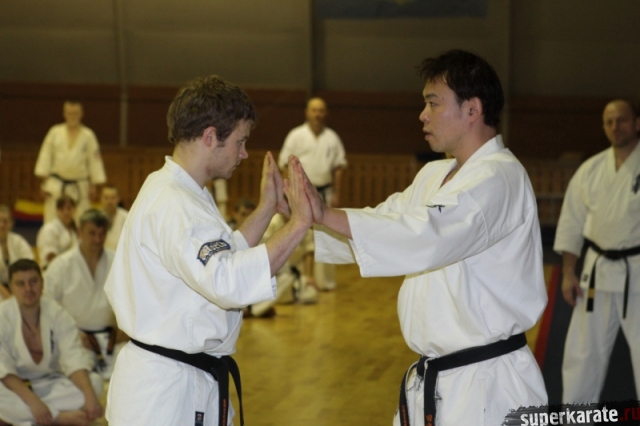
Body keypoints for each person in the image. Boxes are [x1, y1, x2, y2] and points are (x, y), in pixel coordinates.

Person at [303, 50, 548, 426]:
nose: (423, 114)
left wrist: (323, 214)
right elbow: (386, 221)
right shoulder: (435, 175)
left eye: (433, 103)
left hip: (487, 387)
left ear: (472, 109)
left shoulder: (499, 177)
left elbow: (427, 234)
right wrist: (305, 219)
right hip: (434, 378)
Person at [104, 75, 313, 426]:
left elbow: (224, 256)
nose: (244, 153)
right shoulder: (175, 204)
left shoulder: (181, 190)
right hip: (167, 395)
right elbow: (228, 281)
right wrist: (299, 224)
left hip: (177, 380)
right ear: (210, 136)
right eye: (240, 141)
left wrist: (266, 209)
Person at [554, 99, 640, 404]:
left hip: (637, 272)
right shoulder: (590, 170)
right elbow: (571, 223)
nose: (616, 127)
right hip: (597, 272)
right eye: (609, 122)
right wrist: (568, 273)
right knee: (582, 355)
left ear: (637, 123)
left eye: (622, 120)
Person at [0, 259, 103, 426]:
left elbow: (73, 357)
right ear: (11, 287)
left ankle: (23, 418)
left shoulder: (57, 313)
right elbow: (3, 369)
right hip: (15, 388)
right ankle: (58, 417)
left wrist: (90, 397)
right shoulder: (2, 315)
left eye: (33, 281)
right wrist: (34, 403)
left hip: (49, 383)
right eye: (20, 284)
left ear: (42, 283)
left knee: (95, 383)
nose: (28, 289)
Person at [278, 97, 347, 291]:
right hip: (301, 192)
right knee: (302, 235)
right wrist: (289, 193)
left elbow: (339, 167)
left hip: (325, 191)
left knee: (327, 235)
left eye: (321, 110)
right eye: (314, 110)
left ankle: (325, 281)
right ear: (306, 112)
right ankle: (300, 279)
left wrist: (337, 194)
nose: (317, 114)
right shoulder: (296, 135)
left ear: (326, 114)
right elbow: (284, 164)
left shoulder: (332, 137)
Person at [44, 209, 120, 381]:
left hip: (111, 339)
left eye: (102, 234)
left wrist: (124, 327)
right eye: (92, 233)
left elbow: (132, 299)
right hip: (75, 338)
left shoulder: (116, 261)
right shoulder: (61, 265)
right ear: (79, 232)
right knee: (84, 378)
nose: (97, 239)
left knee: (129, 374)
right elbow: (47, 305)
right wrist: (70, 333)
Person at [34, 100, 107, 224]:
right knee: (52, 220)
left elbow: (94, 161)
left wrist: (93, 185)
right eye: (70, 113)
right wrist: (44, 183)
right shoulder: (54, 132)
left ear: (81, 114)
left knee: (81, 220)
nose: (72, 116)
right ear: (64, 114)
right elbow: (45, 157)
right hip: (56, 184)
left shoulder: (88, 135)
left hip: (80, 185)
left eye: (75, 113)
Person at [0, 205, 34, 300]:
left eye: (5, 221)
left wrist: (18, 288)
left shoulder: (18, 241)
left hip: (19, 284)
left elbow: (29, 263)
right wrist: (6, 293)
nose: (1, 225)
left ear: (11, 224)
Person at [36, 196, 78, 270]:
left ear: (74, 210)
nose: (66, 212)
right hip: (53, 270)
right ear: (57, 211)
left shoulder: (75, 231)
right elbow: (50, 257)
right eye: (62, 209)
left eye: (69, 208)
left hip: (73, 269)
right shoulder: (49, 229)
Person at [100, 185, 128, 251]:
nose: (109, 201)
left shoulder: (126, 217)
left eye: (113, 198)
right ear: (101, 199)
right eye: (106, 198)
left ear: (118, 199)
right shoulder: (95, 218)